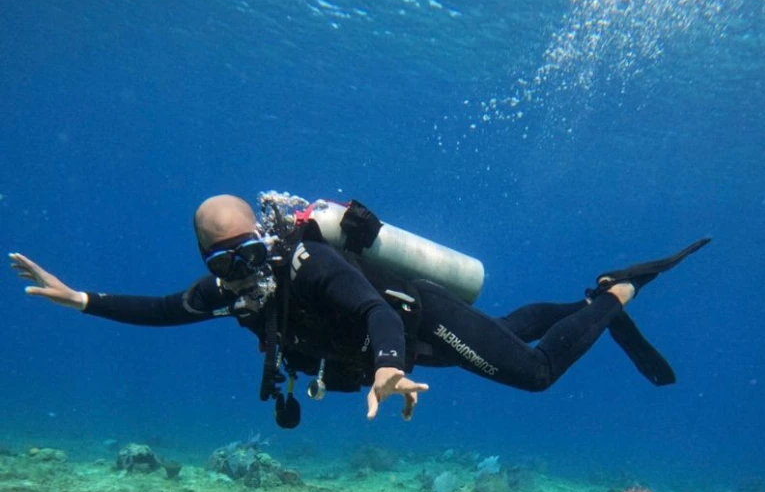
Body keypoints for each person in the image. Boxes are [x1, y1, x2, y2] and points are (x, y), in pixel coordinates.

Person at [9, 193, 709, 427]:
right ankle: (590, 299)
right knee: (504, 333)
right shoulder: (228, 291)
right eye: (226, 263)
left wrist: (384, 370)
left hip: (412, 321)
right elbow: (162, 309)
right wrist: (83, 299)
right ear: (210, 264)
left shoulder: (308, 262)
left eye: (252, 252)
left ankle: (613, 293)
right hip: (400, 349)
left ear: (266, 237)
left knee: (532, 370)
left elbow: (373, 311)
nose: (245, 273)